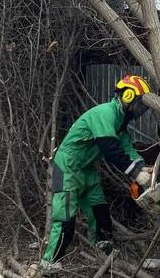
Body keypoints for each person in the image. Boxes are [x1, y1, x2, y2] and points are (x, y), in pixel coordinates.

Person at [42, 73, 154, 264]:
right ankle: (49, 262)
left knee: (99, 211)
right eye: (140, 104)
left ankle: (103, 253)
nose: (141, 110)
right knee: (65, 216)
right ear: (128, 96)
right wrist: (135, 174)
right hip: (66, 166)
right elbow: (110, 149)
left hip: (85, 168)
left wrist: (144, 170)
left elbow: (127, 149)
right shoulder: (105, 114)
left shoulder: (120, 124)